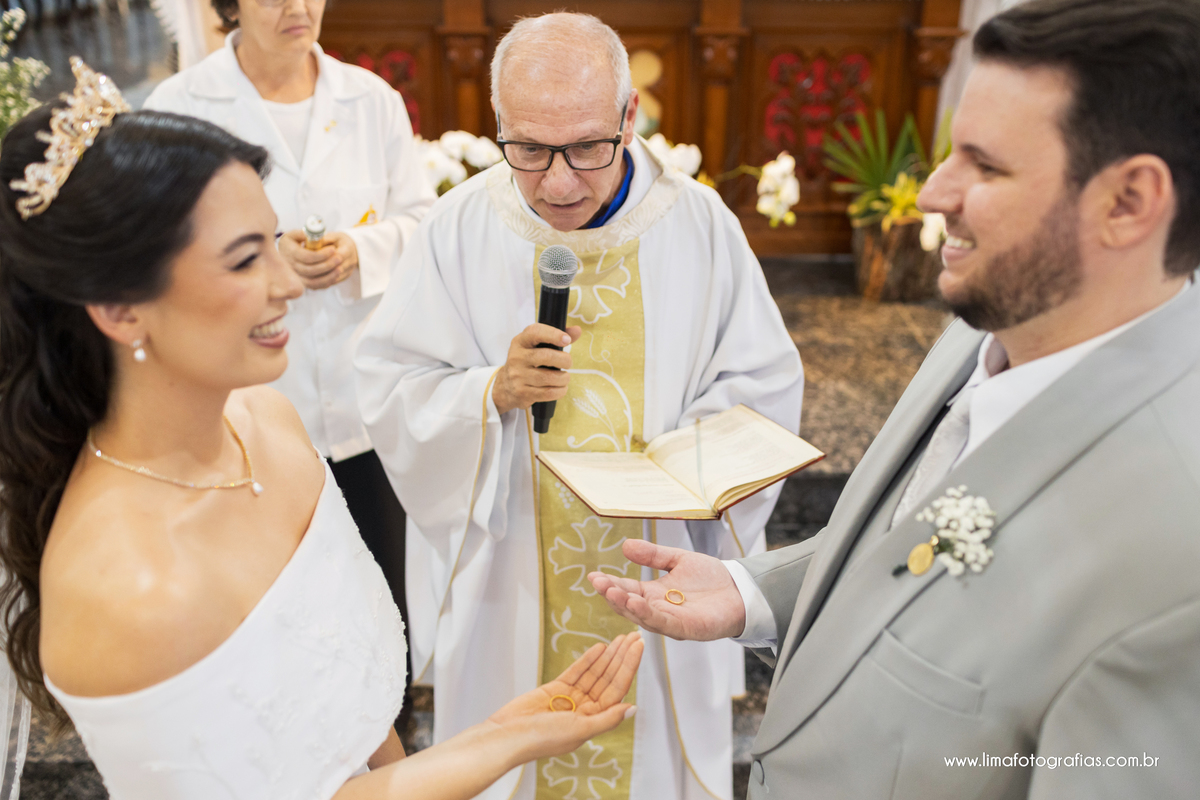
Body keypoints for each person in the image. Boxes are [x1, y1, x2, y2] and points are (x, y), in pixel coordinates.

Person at [589, 0, 1200, 797]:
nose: (933, 193)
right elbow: (916, 547)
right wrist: (750, 590)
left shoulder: (1173, 563)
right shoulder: (985, 320)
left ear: (1127, 202)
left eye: (985, 165)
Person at [0, 64, 642, 800]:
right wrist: (504, 745)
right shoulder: (132, 588)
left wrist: (498, 737)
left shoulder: (268, 427)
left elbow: (355, 722)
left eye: (273, 240)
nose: (285, 283)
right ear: (119, 309)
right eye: (244, 259)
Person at [355, 13, 803, 800]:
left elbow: (763, 386)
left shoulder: (699, 227)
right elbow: (393, 385)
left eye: (588, 148)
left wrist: (689, 458)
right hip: (514, 574)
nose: (558, 183)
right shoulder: (459, 229)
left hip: (658, 560)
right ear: (496, 128)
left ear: (632, 117)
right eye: (528, 150)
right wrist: (488, 393)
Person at [143, 0, 436, 718]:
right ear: (230, 6)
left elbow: (425, 219)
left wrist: (360, 250)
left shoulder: (371, 101)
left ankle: (388, 752)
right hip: (244, 414)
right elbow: (153, 244)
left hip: (365, 406)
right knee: (271, 609)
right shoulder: (181, 106)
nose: (299, 8)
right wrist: (259, 260)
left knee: (377, 601)